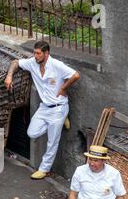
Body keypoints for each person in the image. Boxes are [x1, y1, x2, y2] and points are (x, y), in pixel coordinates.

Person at [5, 41, 80, 180]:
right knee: (32, 132)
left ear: (46, 53)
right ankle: (62, 120)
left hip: (58, 108)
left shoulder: (57, 65)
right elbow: (15, 62)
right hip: (44, 107)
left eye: (38, 53)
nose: (35, 56)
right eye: (34, 52)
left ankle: (44, 169)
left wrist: (63, 88)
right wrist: (9, 76)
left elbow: (75, 75)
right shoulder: (33, 63)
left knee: (52, 141)